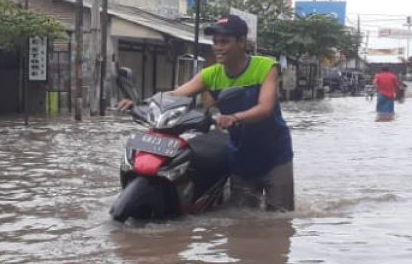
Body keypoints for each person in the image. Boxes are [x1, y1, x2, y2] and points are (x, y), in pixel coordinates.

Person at [118, 15, 294, 211]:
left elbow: (265, 108)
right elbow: (175, 94)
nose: (218, 47)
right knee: (243, 220)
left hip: (275, 156)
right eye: (215, 42)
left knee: (280, 218)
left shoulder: (266, 67)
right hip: (240, 156)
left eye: (225, 42)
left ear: (242, 42)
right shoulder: (211, 74)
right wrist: (140, 103)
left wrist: (235, 117)